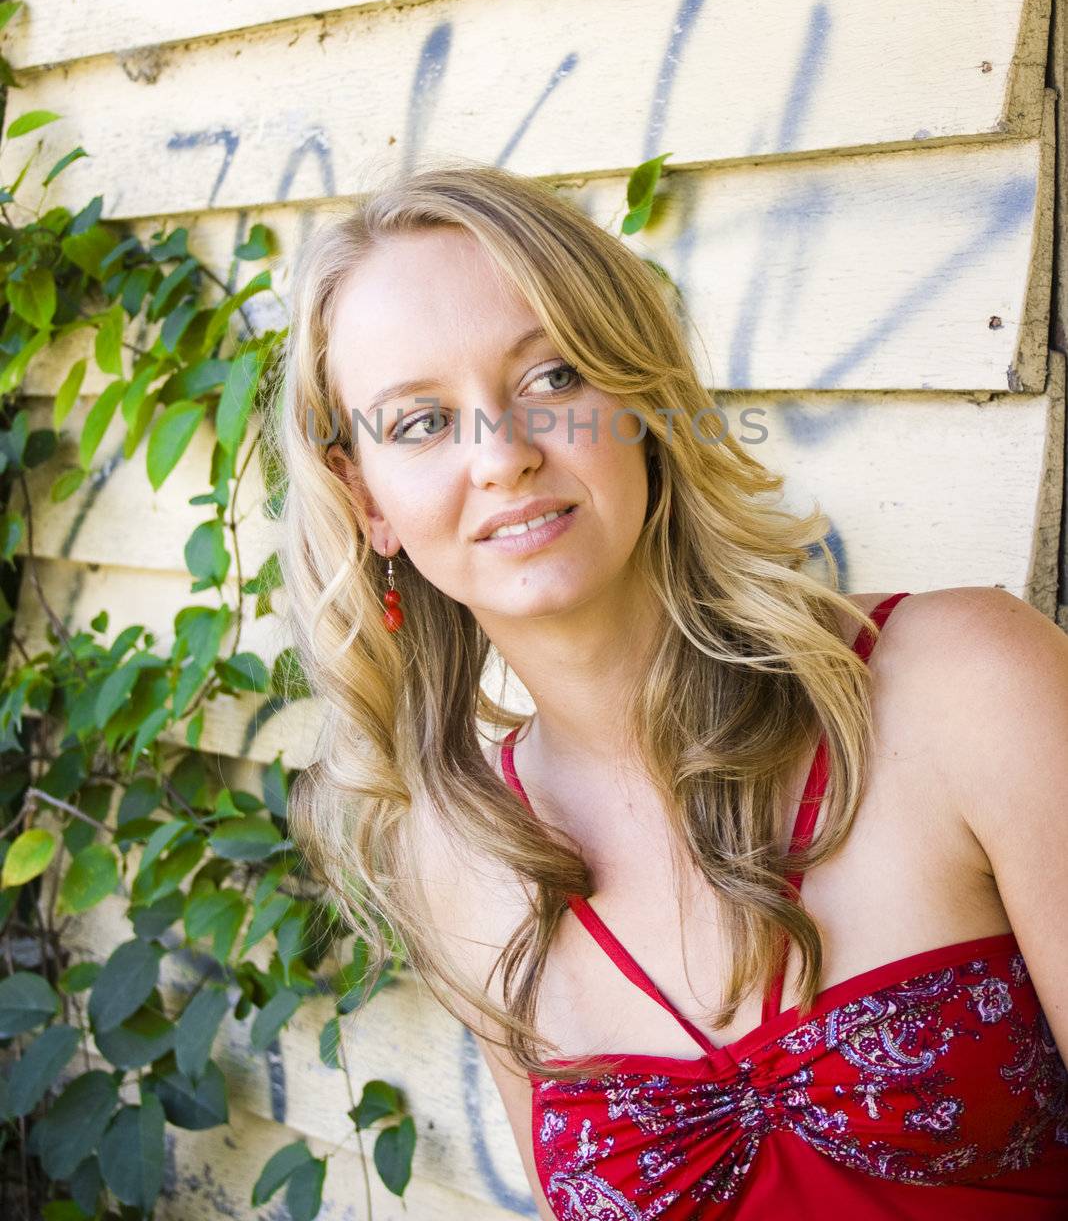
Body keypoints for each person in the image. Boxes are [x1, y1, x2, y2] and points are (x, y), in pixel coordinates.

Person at [271, 160, 1068, 1218]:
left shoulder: (966, 683)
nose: (503, 455)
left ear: (639, 396)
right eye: (419, 423)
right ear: (364, 496)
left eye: (552, 376)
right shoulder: (459, 859)